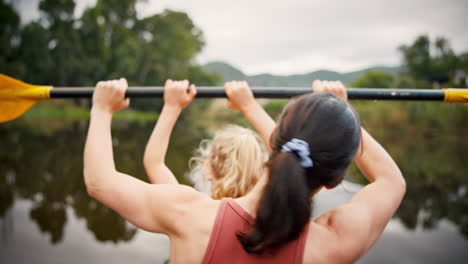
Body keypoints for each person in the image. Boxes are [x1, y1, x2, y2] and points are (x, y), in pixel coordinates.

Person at [84, 78, 406, 263]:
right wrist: (338, 114)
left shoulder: (189, 215)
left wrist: (101, 108)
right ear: (336, 180)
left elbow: (100, 182)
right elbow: (391, 181)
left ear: (273, 142)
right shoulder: (334, 245)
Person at [143, 85, 269, 198]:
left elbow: (154, 163)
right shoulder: (269, 212)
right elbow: (286, 151)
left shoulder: (192, 211)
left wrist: (172, 106)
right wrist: (249, 106)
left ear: (208, 170)